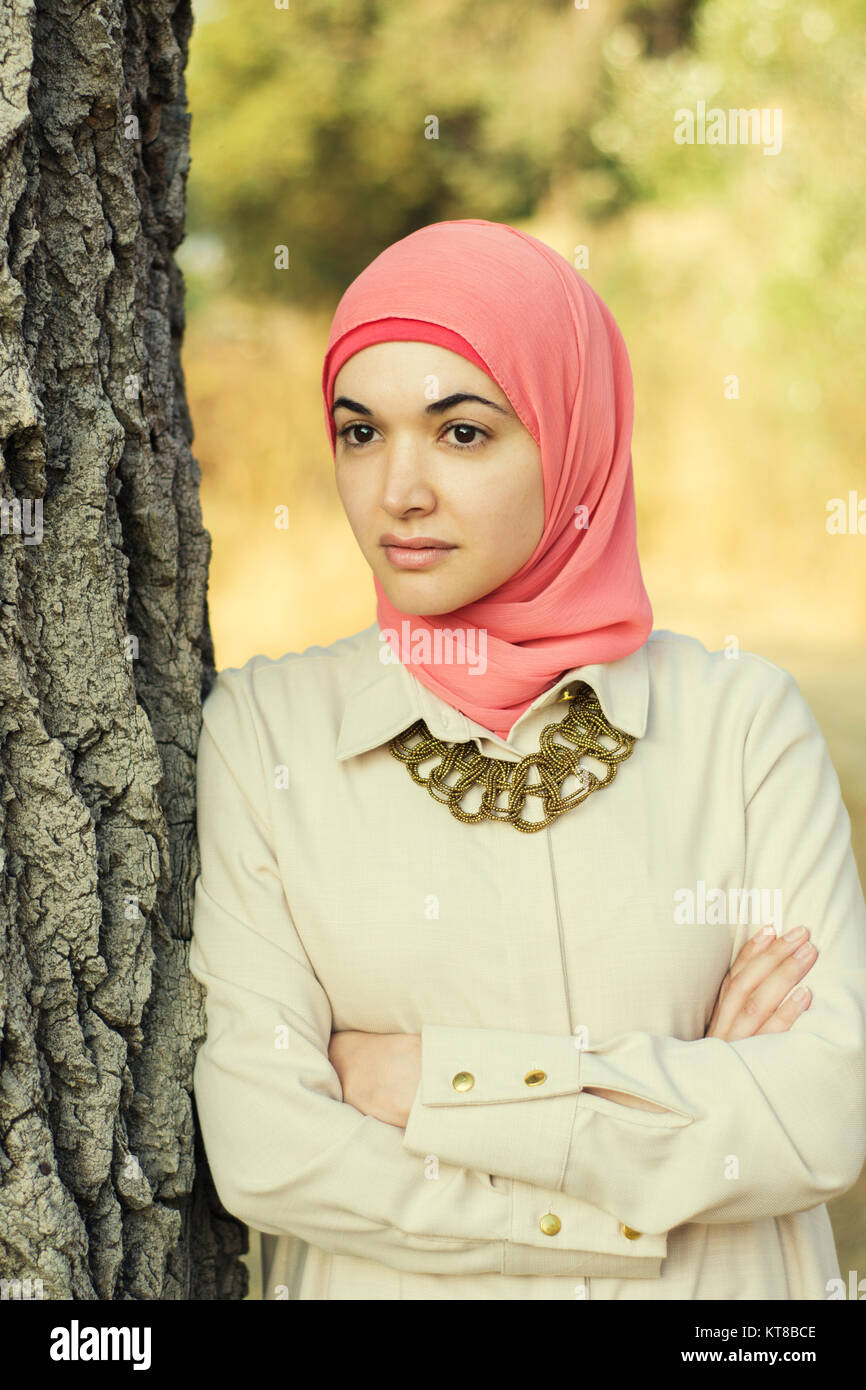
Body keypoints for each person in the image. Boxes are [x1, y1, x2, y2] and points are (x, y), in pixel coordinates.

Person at [188, 218, 866, 1301]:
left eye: (461, 433)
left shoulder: (737, 724)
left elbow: (821, 1115)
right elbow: (269, 1149)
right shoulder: (267, 734)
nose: (397, 490)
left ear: (573, 432)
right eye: (359, 433)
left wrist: (428, 1085)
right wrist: (675, 1114)